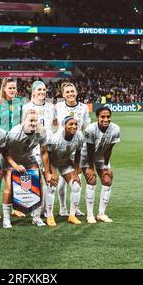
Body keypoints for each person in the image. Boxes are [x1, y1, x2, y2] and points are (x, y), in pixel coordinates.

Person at [1, 109, 54, 228]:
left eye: (36, 120)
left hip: (27, 158)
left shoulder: (41, 132)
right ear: (23, 121)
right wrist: (15, 166)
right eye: (31, 120)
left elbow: (44, 152)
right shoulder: (15, 133)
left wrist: (47, 172)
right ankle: (6, 219)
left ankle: (36, 217)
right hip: (11, 159)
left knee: (39, 184)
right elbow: (4, 151)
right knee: (9, 187)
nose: (33, 123)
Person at [0, 77, 27, 218]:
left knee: (16, 174)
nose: (12, 90)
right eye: (10, 87)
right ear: (4, 88)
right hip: (0, 143)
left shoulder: (21, 102)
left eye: (14, 88)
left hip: (16, 144)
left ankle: (15, 207)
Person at [55, 82, 91, 217]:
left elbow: (86, 126)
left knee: (77, 177)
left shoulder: (84, 108)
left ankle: (75, 208)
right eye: (67, 92)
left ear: (76, 92)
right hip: (62, 146)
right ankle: (63, 208)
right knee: (62, 180)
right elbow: (54, 124)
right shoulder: (58, 106)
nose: (70, 94)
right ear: (63, 94)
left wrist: (86, 145)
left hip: (77, 146)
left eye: (72, 91)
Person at [23, 81, 57, 219]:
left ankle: (48, 212)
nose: (42, 92)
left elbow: (55, 124)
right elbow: (24, 128)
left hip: (48, 148)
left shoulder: (51, 106)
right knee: (35, 182)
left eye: (44, 89)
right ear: (33, 92)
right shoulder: (27, 107)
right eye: (39, 89)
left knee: (51, 180)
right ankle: (35, 211)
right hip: (33, 149)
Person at [80, 106, 120, 224]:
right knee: (92, 180)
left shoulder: (115, 129)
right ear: (97, 117)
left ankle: (101, 214)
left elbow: (109, 149)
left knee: (107, 180)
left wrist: (106, 165)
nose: (106, 119)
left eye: (108, 117)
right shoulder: (90, 129)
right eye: (102, 117)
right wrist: (91, 168)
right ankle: (90, 215)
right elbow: (90, 150)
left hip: (102, 157)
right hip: (87, 156)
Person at [46, 116, 84, 226]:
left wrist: (76, 172)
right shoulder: (55, 138)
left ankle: (72, 216)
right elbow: (47, 155)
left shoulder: (79, 137)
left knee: (76, 185)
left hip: (65, 162)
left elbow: (78, 153)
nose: (74, 126)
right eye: (70, 124)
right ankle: (50, 216)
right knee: (51, 185)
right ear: (64, 126)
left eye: (75, 124)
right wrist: (52, 172)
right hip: (51, 162)